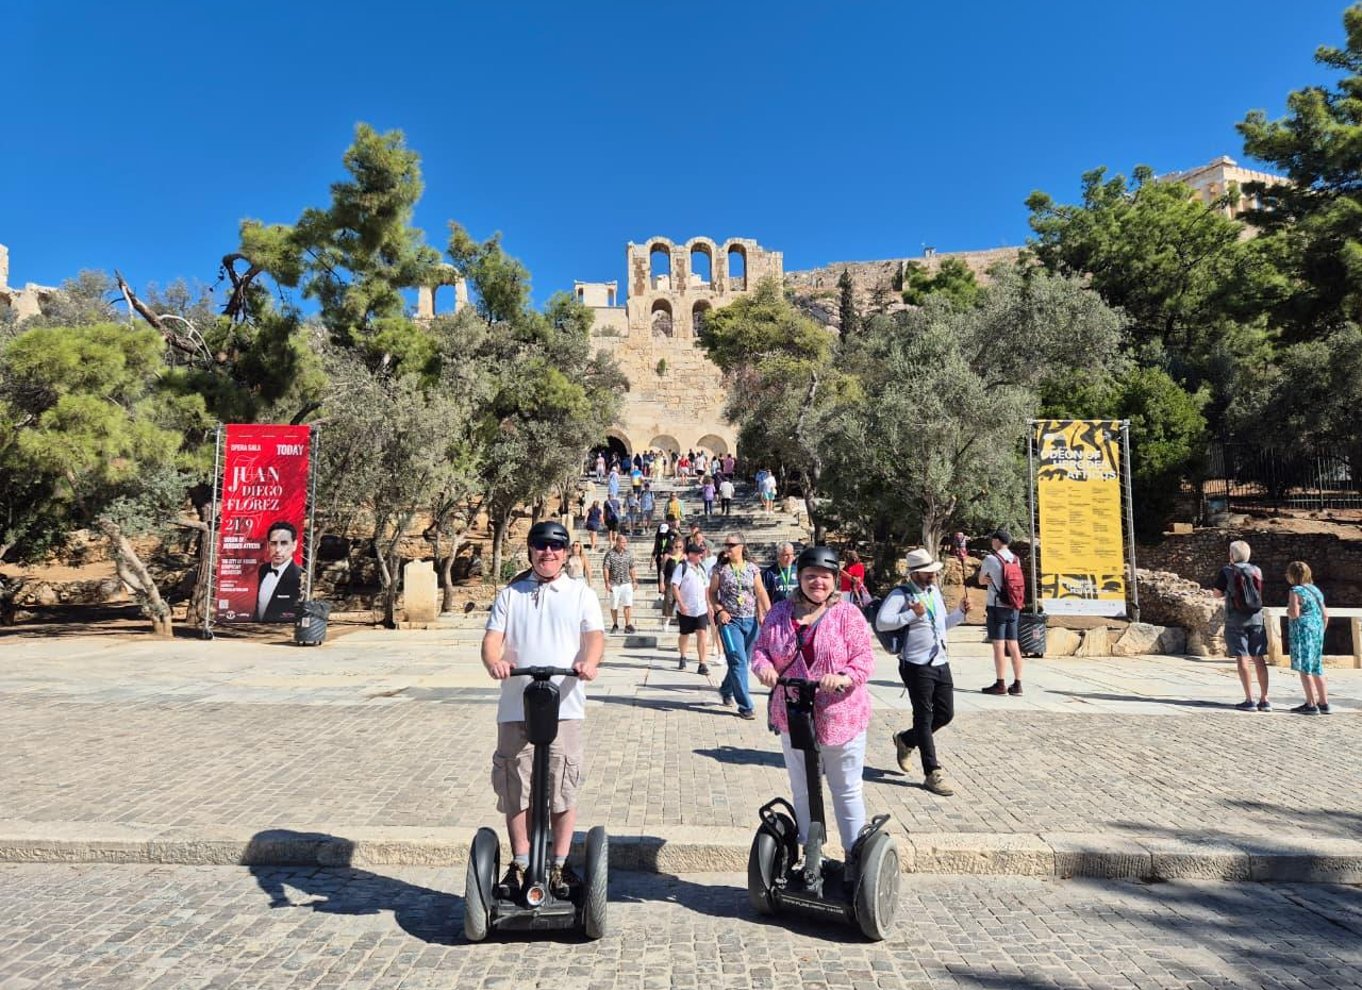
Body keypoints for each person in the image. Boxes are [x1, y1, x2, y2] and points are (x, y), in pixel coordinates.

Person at [481, 520, 604, 898]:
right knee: (514, 787)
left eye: (555, 547)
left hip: (564, 704)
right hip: (516, 707)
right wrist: (495, 662)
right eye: (540, 546)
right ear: (531, 550)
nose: (547, 552)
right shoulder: (511, 594)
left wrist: (589, 662)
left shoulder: (580, 593)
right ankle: (520, 862)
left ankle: (559, 865)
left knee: (562, 787)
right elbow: (491, 641)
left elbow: (594, 637)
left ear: (566, 553)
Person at [751, 546, 876, 854]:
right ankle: (811, 854)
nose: (817, 582)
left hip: (840, 716)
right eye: (810, 576)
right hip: (793, 715)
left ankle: (854, 857)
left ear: (834, 579)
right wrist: (764, 668)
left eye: (824, 577)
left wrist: (845, 676)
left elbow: (864, 657)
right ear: (799, 578)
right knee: (803, 789)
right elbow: (760, 649)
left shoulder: (848, 614)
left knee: (845, 789)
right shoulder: (780, 612)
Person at [877, 548, 971, 796]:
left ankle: (906, 740)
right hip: (916, 665)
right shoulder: (902, 595)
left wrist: (960, 613)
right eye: (928, 572)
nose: (933, 576)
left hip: (940, 661)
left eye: (933, 572)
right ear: (916, 574)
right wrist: (910, 614)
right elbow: (881, 622)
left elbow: (941, 625)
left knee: (945, 713)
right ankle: (932, 772)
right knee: (924, 717)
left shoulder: (933, 593)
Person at [709, 531, 772, 719]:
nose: (727, 548)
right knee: (738, 660)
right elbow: (712, 593)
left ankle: (726, 689)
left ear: (741, 547)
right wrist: (720, 610)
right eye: (726, 545)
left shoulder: (752, 568)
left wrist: (771, 613)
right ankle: (746, 706)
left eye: (731, 545)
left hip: (750, 621)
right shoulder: (719, 569)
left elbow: (760, 591)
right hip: (729, 622)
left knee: (741, 661)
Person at [1212, 539, 1269, 711]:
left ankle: (1249, 699)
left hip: (1236, 619)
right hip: (1257, 619)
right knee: (1259, 658)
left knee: (1242, 659)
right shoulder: (1257, 570)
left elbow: (1217, 594)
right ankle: (1265, 699)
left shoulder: (1227, 571)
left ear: (1231, 555)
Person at [979, 529, 1025, 696]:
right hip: (1013, 605)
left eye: (993, 540)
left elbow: (981, 579)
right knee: (1013, 644)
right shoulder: (1016, 559)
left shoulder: (991, 559)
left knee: (998, 644)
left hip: (997, 605)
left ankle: (1000, 684)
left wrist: (989, 580)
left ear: (997, 541)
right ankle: (1018, 684)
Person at [1285, 560, 1330, 714]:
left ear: (1291, 575)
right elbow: (1325, 615)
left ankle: (1311, 704)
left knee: (1305, 668)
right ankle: (1324, 702)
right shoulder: (1315, 590)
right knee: (1317, 667)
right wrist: (1320, 631)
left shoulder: (1295, 590)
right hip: (1317, 630)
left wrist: (1288, 612)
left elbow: (1294, 613)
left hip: (1302, 632)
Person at [672, 542, 713, 674]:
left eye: (700, 553)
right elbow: (674, 586)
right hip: (686, 608)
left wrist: (709, 604)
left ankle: (702, 663)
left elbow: (706, 587)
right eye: (696, 553)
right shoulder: (682, 567)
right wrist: (681, 603)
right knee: (684, 634)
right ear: (690, 554)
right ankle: (683, 656)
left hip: (700, 608)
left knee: (702, 633)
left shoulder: (702, 568)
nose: (700, 555)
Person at [256, 520, 304, 622]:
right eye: (273, 543)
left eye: (284, 543)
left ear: (294, 545)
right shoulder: (263, 570)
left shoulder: (299, 575)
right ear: (268, 545)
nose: (278, 549)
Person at [601, 533, 639, 634]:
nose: (625, 544)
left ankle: (627, 624)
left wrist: (634, 580)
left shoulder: (628, 553)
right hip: (614, 583)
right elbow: (606, 568)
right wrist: (607, 582)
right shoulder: (610, 554)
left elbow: (632, 568)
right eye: (623, 542)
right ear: (617, 542)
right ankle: (615, 624)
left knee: (628, 603)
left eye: (625, 542)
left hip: (626, 582)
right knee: (614, 605)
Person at [659, 537, 683, 632]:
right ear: (673, 546)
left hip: (681, 583)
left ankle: (681, 622)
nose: (678, 549)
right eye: (676, 546)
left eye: (680, 547)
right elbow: (662, 570)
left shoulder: (684, 556)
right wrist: (661, 582)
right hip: (669, 582)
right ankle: (666, 620)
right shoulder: (667, 557)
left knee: (681, 602)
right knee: (669, 602)